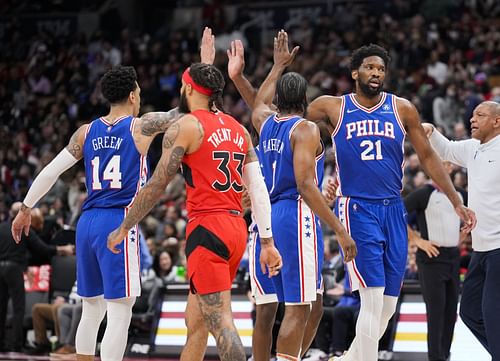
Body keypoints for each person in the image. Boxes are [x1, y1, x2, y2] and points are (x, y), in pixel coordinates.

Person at [10, 36, 203, 358]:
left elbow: (49, 171)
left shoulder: (85, 132)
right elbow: (183, 111)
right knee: (119, 312)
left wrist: (26, 208)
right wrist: (200, 70)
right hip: (118, 222)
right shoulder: (140, 127)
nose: (140, 98)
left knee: (91, 309)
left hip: (87, 223)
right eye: (139, 93)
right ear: (132, 95)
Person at [305, 44, 476, 361]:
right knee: (371, 301)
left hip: (393, 209)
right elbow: (289, 124)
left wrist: (455, 200)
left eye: (381, 69)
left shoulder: (402, 108)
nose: (376, 73)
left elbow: (427, 157)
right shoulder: (331, 106)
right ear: (355, 72)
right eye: (370, 68)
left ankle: (349, 359)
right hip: (357, 208)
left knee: (386, 307)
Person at [106, 61, 283, 361]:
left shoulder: (186, 126)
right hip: (236, 229)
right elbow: (258, 189)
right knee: (196, 322)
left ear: (188, 87)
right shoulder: (239, 129)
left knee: (221, 322)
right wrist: (266, 242)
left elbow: (156, 185)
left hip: (206, 231)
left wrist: (125, 226)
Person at [228, 30, 357, 361]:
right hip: (295, 216)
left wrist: (276, 66)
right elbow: (304, 184)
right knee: (300, 308)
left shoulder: (264, 122)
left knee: (277, 308)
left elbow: (257, 101)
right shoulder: (305, 129)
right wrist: (340, 231)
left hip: (265, 218)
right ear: (306, 100)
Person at [422, 100, 500, 360]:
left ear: (496, 121)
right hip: (480, 249)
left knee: (492, 316)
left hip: (499, 249)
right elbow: (446, 149)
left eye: (480, 115)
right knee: (468, 311)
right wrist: (432, 131)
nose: (472, 119)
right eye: (473, 114)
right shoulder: (473, 148)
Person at [404, 162, 466, 361]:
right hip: (431, 258)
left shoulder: (461, 194)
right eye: (441, 161)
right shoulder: (424, 193)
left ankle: (445, 355)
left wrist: (465, 233)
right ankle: (435, 357)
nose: (446, 165)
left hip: (453, 257)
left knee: (450, 314)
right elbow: (396, 213)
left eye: (449, 162)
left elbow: (475, 216)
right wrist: (416, 240)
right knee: (436, 313)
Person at [0, 203, 73, 352]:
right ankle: (16, 344)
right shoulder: (23, 228)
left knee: (1, 307)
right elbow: (42, 248)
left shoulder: (1, 227)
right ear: (22, 213)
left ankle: (1, 343)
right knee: (18, 308)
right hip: (14, 268)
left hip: (0, 267)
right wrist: (62, 249)